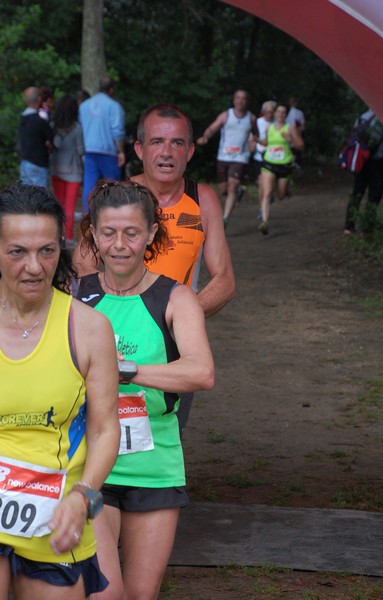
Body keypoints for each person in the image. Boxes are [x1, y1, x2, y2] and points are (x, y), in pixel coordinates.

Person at [75, 179, 215, 600]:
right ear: (94, 236)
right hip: (90, 465)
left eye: (132, 233)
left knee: (140, 594)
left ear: (152, 233)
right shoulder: (75, 296)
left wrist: (126, 370)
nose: (120, 245)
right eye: (109, 233)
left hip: (154, 466)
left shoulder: (175, 297)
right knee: (105, 594)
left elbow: (201, 372)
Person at [73, 102, 235, 433]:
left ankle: (156, 482)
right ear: (139, 148)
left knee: (162, 429)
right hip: (111, 334)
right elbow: (83, 269)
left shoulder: (203, 199)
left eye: (177, 143)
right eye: (156, 142)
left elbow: (224, 279)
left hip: (172, 343)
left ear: (190, 151)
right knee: (97, 426)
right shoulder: (112, 197)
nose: (166, 152)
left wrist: (177, 318)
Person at [0, 181, 120, 599]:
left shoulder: (88, 328)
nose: (33, 267)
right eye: (17, 251)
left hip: (57, 513)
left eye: (46, 251)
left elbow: (106, 430)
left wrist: (85, 495)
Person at [197, 89, 258, 227]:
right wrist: (205, 137)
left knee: (232, 186)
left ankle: (224, 218)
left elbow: (256, 134)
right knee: (224, 189)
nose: (240, 101)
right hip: (223, 156)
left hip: (240, 157)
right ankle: (239, 191)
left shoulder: (251, 118)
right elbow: (212, 128)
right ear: (234, 100)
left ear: (247, 101)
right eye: (237, 98)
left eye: (243, 98)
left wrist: (254, 143)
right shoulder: (226, 115)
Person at [79, 76, 126, 214]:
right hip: (108, 152)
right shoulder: (114, 107)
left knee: (89, 186)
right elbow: (117, 131)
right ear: (111, 90)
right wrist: (121, 151)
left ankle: (88, 215)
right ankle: (115, 213)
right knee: (113, 186)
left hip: (89, 150)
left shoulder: (84, 106)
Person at [258, 103, 304, 235]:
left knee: (280, 195)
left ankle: (284, 191)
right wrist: (257, 141)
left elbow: (301, 146)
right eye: (279, 112)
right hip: (269, 163)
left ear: (286, 115)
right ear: (275, 114)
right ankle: (264, 222)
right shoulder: (269, 128)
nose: (281, 114)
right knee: (266, 193)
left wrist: (291, 140)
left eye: (284, 112)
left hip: (284, 165)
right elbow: (266, 143)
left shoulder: (290, 129)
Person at [343, 109, 383, 235]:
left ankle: (349, 225)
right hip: (376, 161)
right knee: (375, 192)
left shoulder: (360, 118)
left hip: (360, 159)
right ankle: (368, 226)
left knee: (357, 191)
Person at [50, 94, 84, 246]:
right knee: (70, 208)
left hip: (56, 170)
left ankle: (57, 237)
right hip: (73, 172)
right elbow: (81, 150)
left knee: (59, 205)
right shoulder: (77, 128)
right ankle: (69, 238)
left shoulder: (52, 126)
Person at [17, 87, 54, 188]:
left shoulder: (22, 119)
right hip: (38, 164)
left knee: (25, 197)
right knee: (40, 198)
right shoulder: (39, 121)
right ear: (39, 99)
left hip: (25, 163)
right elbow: (52, 138)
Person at [252, 101, 276, 217]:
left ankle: (268, 197)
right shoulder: (257, 122)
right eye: (267, 112)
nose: (269, 114)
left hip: (273, 158)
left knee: (269, 184)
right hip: (259, 157)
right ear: (263, 112)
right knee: (261, 184)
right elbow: (252, 136)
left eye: (271, 112)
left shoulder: (277, 123)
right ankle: (262, 208)